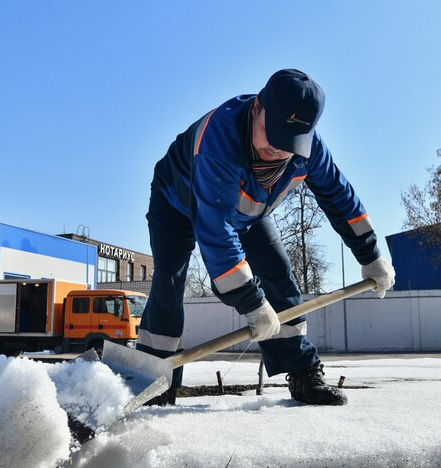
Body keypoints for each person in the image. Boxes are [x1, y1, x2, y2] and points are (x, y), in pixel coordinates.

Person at [138, 69, 395, 406]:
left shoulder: (310, 149)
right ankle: (153, 385)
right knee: (168, 284)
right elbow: (215, 231)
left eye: (290, 143)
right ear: (257, 107)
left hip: (248, 211)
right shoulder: (219, 139)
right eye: (273, 135)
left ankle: (302, 372)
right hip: (177, 202)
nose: (278, 150)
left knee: (279, 275)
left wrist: (371, 256)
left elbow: (340, 198)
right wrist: (251, 301)